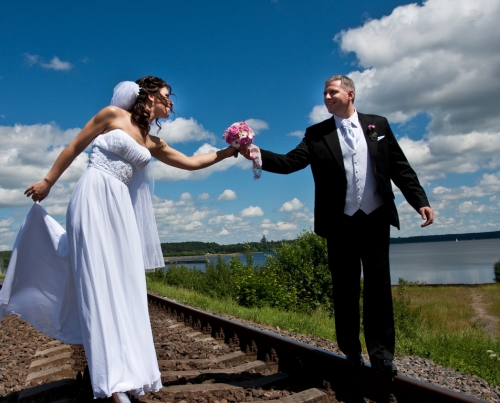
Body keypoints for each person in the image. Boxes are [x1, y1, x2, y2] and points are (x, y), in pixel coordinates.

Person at [0, 76, 236, 399]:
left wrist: (227, 152)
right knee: (99, 284)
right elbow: (74, 146)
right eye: (167, 96)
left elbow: (193, 163)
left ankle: (131, 373)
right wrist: (48, 181)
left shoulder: (153, 143)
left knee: (126, 288)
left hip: (120, 208)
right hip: (93, 196)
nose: (171, 103)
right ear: (149, 96)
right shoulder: (112, 115)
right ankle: (112, 384)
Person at [242, 75, 434, 375]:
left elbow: (399, 166)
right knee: (344, 290)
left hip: (375, 218)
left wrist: (419, 200)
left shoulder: (377, 126)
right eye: (324, 94)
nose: (327, 97)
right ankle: (351, 351)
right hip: (339, 223)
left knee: (379, 288)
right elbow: (292, 162)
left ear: (350, 94)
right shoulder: (316, 134)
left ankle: (382, 355)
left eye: (332, 92)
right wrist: (257, 154)